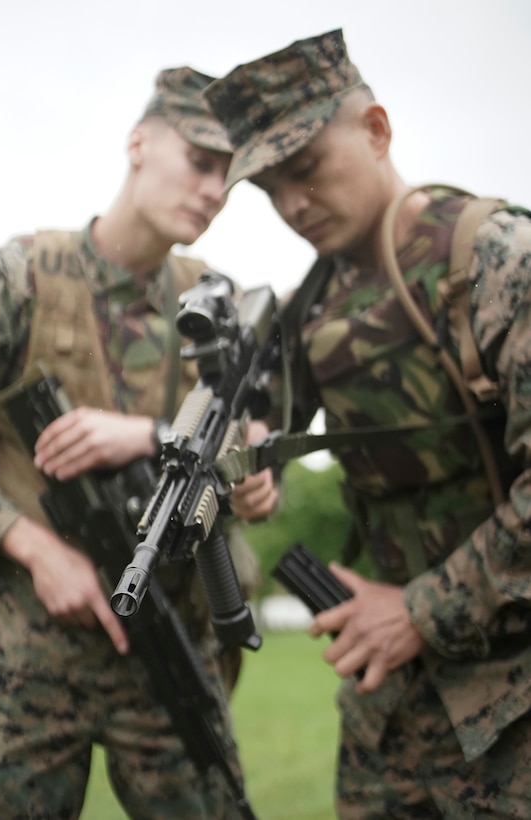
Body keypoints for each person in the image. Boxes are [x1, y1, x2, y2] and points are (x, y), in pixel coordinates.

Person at [205, 29, 531, 819]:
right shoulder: (308, 306)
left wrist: (417, 612)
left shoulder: (492, 260)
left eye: (307, 169)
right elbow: (257, 418)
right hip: (388, 717)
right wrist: (253, 465)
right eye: (269, 190)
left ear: (376, 131)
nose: (292, 205)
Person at [0, 66, 276, 819]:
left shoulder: (217, 306)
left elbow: (252, 446)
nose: (215, 189)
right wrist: (27, 543)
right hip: (25, 660)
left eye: (230, 176)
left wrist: (171, 445)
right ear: (138, 143)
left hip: (168, 651)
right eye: (200, 161)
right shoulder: (19, 280)